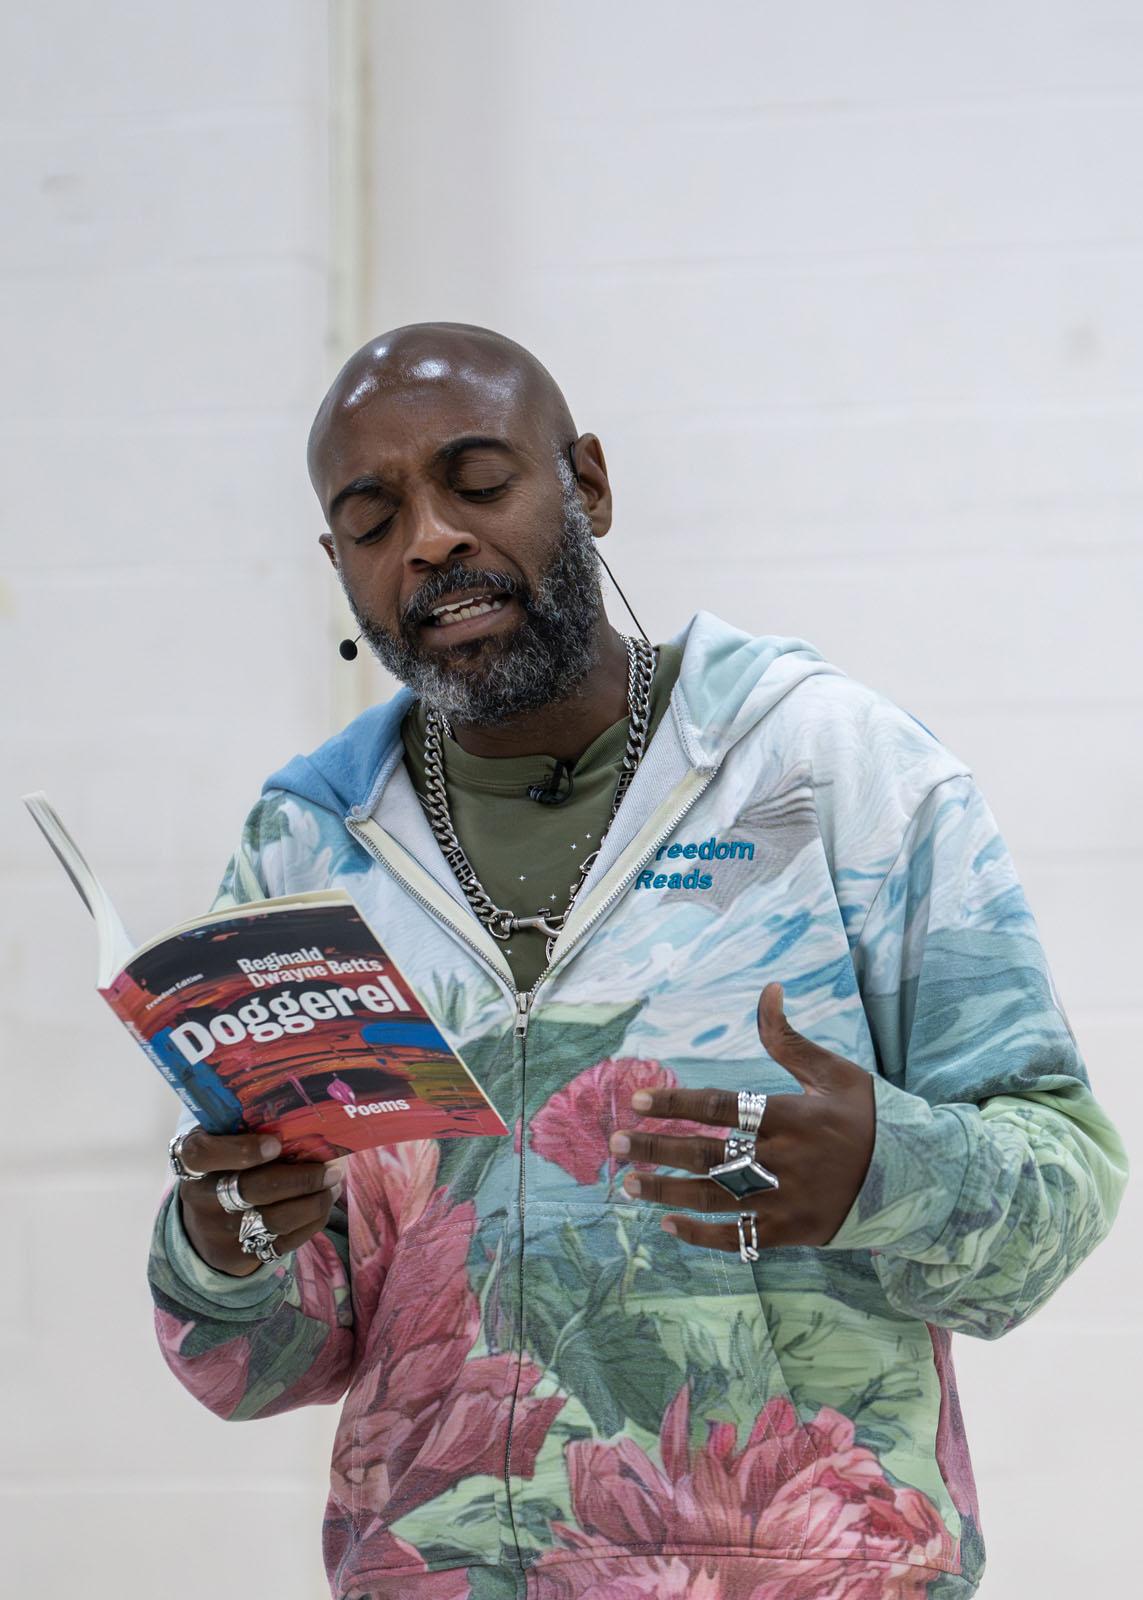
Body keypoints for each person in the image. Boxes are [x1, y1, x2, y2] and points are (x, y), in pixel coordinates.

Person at [149, 322, 1129, 1600]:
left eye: (479, 482)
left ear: (590, 486)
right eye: (375, 517)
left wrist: (885, 1167)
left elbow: (1063, 1185)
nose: (434, 538)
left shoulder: (829, 771)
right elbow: (274, 1362)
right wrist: (222, 1253)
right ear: (341, 568)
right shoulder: (307, 851)